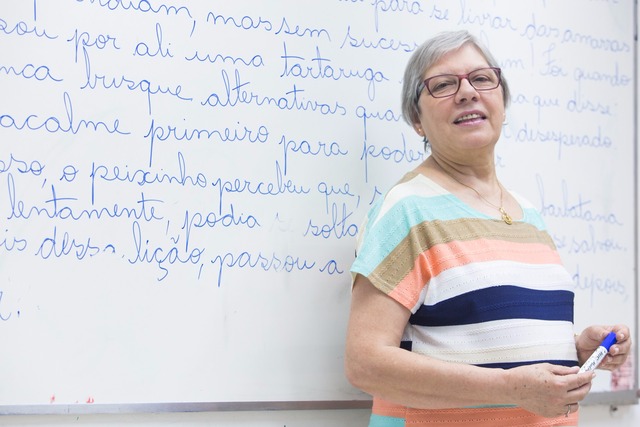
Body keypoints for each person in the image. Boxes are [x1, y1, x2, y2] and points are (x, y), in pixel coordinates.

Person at [344, 30, 631, 427]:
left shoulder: (528, 214)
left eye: (481, 79)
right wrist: (509, 388)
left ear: (502, 101)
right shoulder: (406, 210)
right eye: (443, 85)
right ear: (417, 121)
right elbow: (365, 364)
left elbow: (498, 347)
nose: (467, 92)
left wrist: (576, 351)